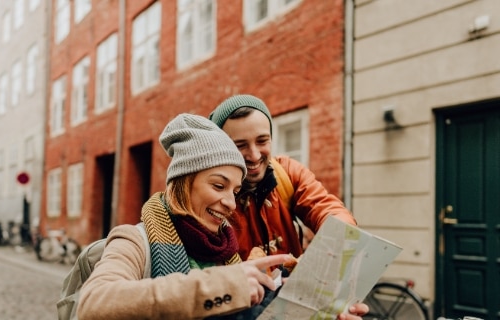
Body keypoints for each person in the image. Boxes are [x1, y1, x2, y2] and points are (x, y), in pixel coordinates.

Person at [78, 113, 293, 319]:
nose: (230, 203)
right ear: (184, 183)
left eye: (235, 192)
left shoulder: (226, 253)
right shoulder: (134, 241)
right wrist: (217, 287)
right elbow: (93, 303)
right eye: (219, 186)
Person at [209, 94, 369, 318]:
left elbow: (326, 207)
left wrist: (336, 245)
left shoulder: (288, 173)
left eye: (262, 141)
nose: (254, 155)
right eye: (240, 146)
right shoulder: (211, 197)